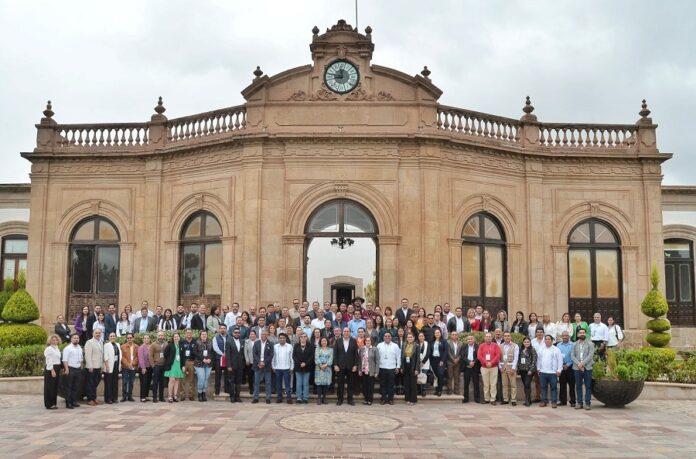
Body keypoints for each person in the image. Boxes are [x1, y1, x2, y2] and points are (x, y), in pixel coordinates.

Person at [334, 327, 359, 406]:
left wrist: (355, 365)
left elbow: (356, 354)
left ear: (350, 332)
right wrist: (335, 365)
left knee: (350, 384)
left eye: (348, 331)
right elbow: (335, 354)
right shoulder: (338, 341)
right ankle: (340, 399)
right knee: (340, 383)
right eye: (345, 331)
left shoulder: (353, 341)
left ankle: (350, 399)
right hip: (340, 366)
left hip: (351, 366)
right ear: (342, 332)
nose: (346, 332)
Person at [537, 334, 563, 408]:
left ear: (552, 341)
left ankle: (554, 402)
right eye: (546, 339)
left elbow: (560, 360)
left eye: (549, 339)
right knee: (543, 387)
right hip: (543, 372)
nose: (547, 341)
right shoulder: (541, 349)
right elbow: (538, 360)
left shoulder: (556, 349)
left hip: (553, 373)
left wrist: (559, 370)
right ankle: (543, 401)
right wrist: (538, 368)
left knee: (554, 388)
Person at [572, 328, 595, 410]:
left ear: (585, 334)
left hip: (587, 367)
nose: (582, 334)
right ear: (578, 334)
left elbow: (590, 355)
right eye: (580, 332)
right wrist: (579, 364)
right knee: (578, 386)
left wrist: (582, 364)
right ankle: (579, 403)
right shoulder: (574, 344)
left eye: (583, 332)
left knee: (588, 386)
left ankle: (587, 403)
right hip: (577, 368)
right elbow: (572, 355)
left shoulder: (590, 344)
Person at [376, 331, 400, 405]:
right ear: (383, 337)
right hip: (382, 367)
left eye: (389, 336)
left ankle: (390, 399)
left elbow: (398, 357)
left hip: (392, 368)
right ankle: (383, 398)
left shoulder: (395, 346)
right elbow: (377, 358)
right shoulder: (379, 345)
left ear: (391, 337)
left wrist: (398, 367)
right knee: (383, 384)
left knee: (391, 384)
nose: (387, 337)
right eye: (385, 336)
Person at [477, 332, 501, 405]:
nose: (488, 338)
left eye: (489, 336)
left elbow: (498, 355)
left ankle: (493, 399)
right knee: (486, 384)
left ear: (492, 337)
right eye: (487, 336)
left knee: (493, 384)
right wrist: (485, 363)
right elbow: (479, 356)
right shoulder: (481, 346)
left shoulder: (495, 345)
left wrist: (491, 363)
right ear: (484, 338)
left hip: (493, 367)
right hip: (484, 367)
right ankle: (486, 398)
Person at [252, 329, 274, 404]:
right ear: (260, 335)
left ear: (267, 335)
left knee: (268, 382)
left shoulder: (270, 344)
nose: (263, 336)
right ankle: (255, 397)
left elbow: (271, 355)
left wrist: (264, 362)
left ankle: (268, 398)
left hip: (266, 365)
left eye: (265, 334)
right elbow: (254, 354)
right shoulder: (256, 343)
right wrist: (259, 362)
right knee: (256, 382)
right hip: (258, 365)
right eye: (262, 334)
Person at [62, 333, 83, 409]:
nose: (76, 339)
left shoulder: (80, 348)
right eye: (74, 338)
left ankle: (74, 401)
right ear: (71, 339)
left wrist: (81, 367)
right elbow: (65, 360)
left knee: (76, 387)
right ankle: (68, 403)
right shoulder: (67, 348)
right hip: (70, 369)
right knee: (69, 387)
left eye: (77, 338)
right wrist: (66, 369)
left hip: (78, 369)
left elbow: (81, 359)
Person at [84, 328, 104, 406]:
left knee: (95, 383)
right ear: (93, 333)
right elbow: (87, 355)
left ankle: (94, 398)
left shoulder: (101, 342)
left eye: (99, 333)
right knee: (90, 383)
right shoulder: (89, 342)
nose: (98, 334)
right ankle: (90, 399)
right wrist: (90, 366)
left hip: (98, 366)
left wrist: (102, 366)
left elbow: (101, 355)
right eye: (96, 333)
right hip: (91, 367)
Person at [225, 326, 245, 403]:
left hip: (240, 365)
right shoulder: (229, 341)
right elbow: (228, 355)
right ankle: (232, 397)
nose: (237, 334)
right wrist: (229, 365)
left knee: (238, 382)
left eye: (238, 333)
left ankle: (237, 396)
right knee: (231, 382)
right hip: (232, 365)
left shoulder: (242, 341)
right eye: (235, 333)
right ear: (232, 333)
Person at [556, 331, 576, 407]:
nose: (565, 337)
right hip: (561, 367)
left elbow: (574, 356)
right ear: (561, 336)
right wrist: (560, 365)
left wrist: (568, 365)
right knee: (562, 384)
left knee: (571, 385)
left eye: (566, 336)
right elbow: (557, 356)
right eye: (563, 336)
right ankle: (562, 400)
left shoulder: (573, 345)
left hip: (570, 367)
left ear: (569, 336)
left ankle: (573, 401)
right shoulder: (558, 345)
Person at [293, 332, 314, 404]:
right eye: (301, 336)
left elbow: (312, 356)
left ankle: (305, 397)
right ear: (299, 338)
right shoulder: (296, 345)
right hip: (298, 367)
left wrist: (305, 363)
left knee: (305, 383)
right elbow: (294, 356)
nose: (303, 338)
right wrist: (300, 363)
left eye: (305, 336)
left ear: (306, 338)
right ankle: (298, 397)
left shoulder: (310, 346)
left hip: (307, 367)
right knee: (299, 383)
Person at [358, 335, 379, 405]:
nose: (368, 342)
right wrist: (359, 370)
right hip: (363, 371)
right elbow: (359, 360)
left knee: (370, 386)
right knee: (364, 386)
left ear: (371, 342)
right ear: (365, 341)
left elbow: (377, 361)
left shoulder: (375, 349)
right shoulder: (362, 349)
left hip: (371, 371)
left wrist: (376, 371)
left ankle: (370, 400)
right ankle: (366, 399)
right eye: (366, 340)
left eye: (369, 340)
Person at [499, 331, 519, 405]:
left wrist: (513, 368)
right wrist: (499, 367)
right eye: (505, 336)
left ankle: (513, 399)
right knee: (505, 384)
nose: (507, 337)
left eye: (508, 336)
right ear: (503, 337)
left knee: (513, 384)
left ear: (510, 337)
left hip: (511, 367)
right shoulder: (500, 346)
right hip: (503, 367)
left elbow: (516, 358)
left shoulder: (515, 346)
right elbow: (498, 357)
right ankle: (505, 399)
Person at [164, 332, 184, 403]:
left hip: (178, 365)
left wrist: (183, 366)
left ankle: (175, 395)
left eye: (177, 336)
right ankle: (170, 396)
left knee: (177, 380)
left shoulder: (181, 345)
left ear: (179, 337)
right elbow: (165, 354)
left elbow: (183, 357)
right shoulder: (170, 345)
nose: (176, 338)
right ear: (173, 338)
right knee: (172, 380)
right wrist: (169, 361)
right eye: (175, 337)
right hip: (172, 365)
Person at [193, 330, 213, 402]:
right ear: (200, 335)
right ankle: (199, 393)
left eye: (205, 334)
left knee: (205, 379)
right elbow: (195, 352)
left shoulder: (210, 341)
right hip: (199, 363)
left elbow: (212, 352)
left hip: (208, 363)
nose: (204, 335)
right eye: (202, 334)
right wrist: (202, 359)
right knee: (201, 378)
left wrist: (210, 359)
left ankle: (204, 393)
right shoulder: (196, 342)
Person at [401, 332, 420, 405]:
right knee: (407, 383)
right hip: (406, 364)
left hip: (413, 365)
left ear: (414, 338)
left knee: (413, 384)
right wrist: (402, 367)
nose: (410, 338)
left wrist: (417, 369)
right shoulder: (404, 345)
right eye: (408, 337)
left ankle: (413, 400)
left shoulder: (417, 346)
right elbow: (402, 357)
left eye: (411, 337)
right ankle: (407, 399)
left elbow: (418, 358)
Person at [43, 334, 62, 409]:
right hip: (50, 369)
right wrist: (52, 370)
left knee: (55, 387)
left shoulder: (57, 348)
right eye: (53, 340)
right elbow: (49, 360)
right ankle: (49, 404)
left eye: (56, 340)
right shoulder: (49, 349)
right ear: (50, 341)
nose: (55, 341)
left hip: (57, 368)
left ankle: (53, 403)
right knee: (49, 387)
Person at [517, 337, 537, 406]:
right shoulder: (521, 349)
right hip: (522, 370)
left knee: (527, 384)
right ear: (523, 343)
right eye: (525, 342)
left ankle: (527, 400)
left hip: (529, 371)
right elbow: (518, 359)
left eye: (528, 342)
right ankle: (529, 400)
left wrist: (531, 370)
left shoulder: (532, 350)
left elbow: (534, 360)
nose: (526, 343)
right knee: (525, 385)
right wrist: (518, 367)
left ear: (530, 342)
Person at [460, 334, 480, 403]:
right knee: (466, 383)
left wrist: (473, 362)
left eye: (471, 339)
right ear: (467, 340)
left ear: (474, 340)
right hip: (467, 367)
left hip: (475, 367)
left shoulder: (478, 346)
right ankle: (465, 398)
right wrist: (469, 362)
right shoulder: (464, 346)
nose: (470, 340)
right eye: (469, 339)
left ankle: (477, 398)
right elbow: (462, 356)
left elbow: (479, 356)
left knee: (476, 383)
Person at [103, 332, 121, 404]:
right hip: (109, 366)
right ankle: (108, 398)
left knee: (115, 383)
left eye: (114, 336)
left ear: (116, 337)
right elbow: (105, 356)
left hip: (116, 366)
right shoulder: (106, 345)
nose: (112, 337)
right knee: (108, 383)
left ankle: (114, 398)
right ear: (109, 337)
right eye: (111, 336)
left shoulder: (118, 344)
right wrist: (107, 366)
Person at [179, 328, 197, 401]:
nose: (189, 334)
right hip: (184, 361)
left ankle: (191, 395)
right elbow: (180, 354)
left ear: (192, 334)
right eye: (187, 333)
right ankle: (182, 395)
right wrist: (182, 364)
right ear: (185, 334)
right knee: (182, 380)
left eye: (190, 333)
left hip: (192, 362)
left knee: (191, 379)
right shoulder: (182, 342)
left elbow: (196, 353)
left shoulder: (195, 342)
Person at [149, 331, 167, 403]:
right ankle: (154, 397)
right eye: (159, 335)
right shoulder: (153, 344)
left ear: (164, 336)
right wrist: (153, 365)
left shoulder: (166, 344)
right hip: (156, 366)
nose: (160, 337)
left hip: (163, 366)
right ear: (157, 336)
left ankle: (161, 397)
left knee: (162, 382)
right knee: (155, 382)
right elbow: (150, 356)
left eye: (162, 335)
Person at [314, 336, 333, 405]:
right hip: (319, 368)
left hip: (327, 368)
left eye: (325, 341)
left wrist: (326, 365)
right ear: (320, 342)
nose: (324, 342)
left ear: (327, 341)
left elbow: (331, 358)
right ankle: (319, 398)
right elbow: (316, 357)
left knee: (326, 383)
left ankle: (324, 398)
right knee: (319, 384)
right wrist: (320, 365)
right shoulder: (317, 349)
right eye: (322, 341)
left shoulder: (330, 350)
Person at [120, 333, 138, 402]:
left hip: (133, 367)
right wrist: (128, 364)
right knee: (124, 381)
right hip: (125, 367)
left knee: (131, 382)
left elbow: (137, 357)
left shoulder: (136, 346)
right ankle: (124, 396)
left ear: (133, 338)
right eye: (128, 338)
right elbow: (122, 357)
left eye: (131, 338)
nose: (129, 339)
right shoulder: (122, 347)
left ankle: (130, 396)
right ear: (126, 339)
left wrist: (133, 364)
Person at [429, 328, 448, 397]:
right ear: (434, 334)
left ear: (440, 333)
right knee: (435, 376)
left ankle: (440, 390)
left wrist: (442, 360)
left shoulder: (444, 341)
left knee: (440, 374)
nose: (437, 334)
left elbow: (446, 351)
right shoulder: (432, 342)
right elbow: (430, 352)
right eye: (436, 333)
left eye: (438, 333)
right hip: (433, 360)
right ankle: (436, 390)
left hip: (441, 360)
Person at [213, 324, 228, 397]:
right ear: (219, 329)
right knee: (218, 375)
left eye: (224, 328)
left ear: (226, 329)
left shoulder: (230, 337)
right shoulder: (215, 338)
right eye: (221, 328)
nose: (222, 329)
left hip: (228, 359)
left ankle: (227, 389)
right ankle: (217, 390)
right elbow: (215, 348)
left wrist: (227, 354)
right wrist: (222, 354)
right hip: (219, 359)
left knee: (227, 375)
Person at [137, 334, 152, 402]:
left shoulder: (151, 347)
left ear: (149, 339)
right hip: (143, 368)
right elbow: (141, 358)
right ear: (143, 340)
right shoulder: (141, 347)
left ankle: (145, 396)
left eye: (147, 338)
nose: (146, 339)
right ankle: (142, 397)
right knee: (144, 382)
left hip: (150, 367)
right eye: (145, 338)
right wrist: (143, 367)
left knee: (148, 382)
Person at [417, 332, 431, 397]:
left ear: (424, 337)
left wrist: (423, 362)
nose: (421, 337)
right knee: (418, 377)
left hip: (425, 363)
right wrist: (418, 362)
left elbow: (428, 353)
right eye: (420, 336)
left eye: (422, 336)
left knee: (424, 376)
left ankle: (424, 390)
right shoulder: (416, 344)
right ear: (418, 337)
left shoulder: (427, 343)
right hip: (418, 363)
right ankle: (419, 390)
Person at [447, 331, 461, 395]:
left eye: (455, 334)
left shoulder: (460, 343)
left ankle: (456, 390)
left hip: (458, 363)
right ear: (451, 336)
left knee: (456, 377)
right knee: (450, 377)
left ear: (457, 336)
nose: (454, 336)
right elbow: (448, 352)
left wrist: (458, 359)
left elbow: (461, 353)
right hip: (450, 362)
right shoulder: (448, 343)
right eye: (453, 334)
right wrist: (453, 359)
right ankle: (449, 390)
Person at [244, 330, 257, 395]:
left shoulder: (258, 341)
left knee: (256, 376)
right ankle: (251, 389)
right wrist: (247, 360)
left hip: (256, 362)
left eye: (253, 334)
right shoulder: (246, 341)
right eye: (251, 334)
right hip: (249, 362)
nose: (252, 335)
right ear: (249, 335)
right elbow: (245, 352)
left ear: (255, 335)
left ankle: (256, 389)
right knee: (250, 376)